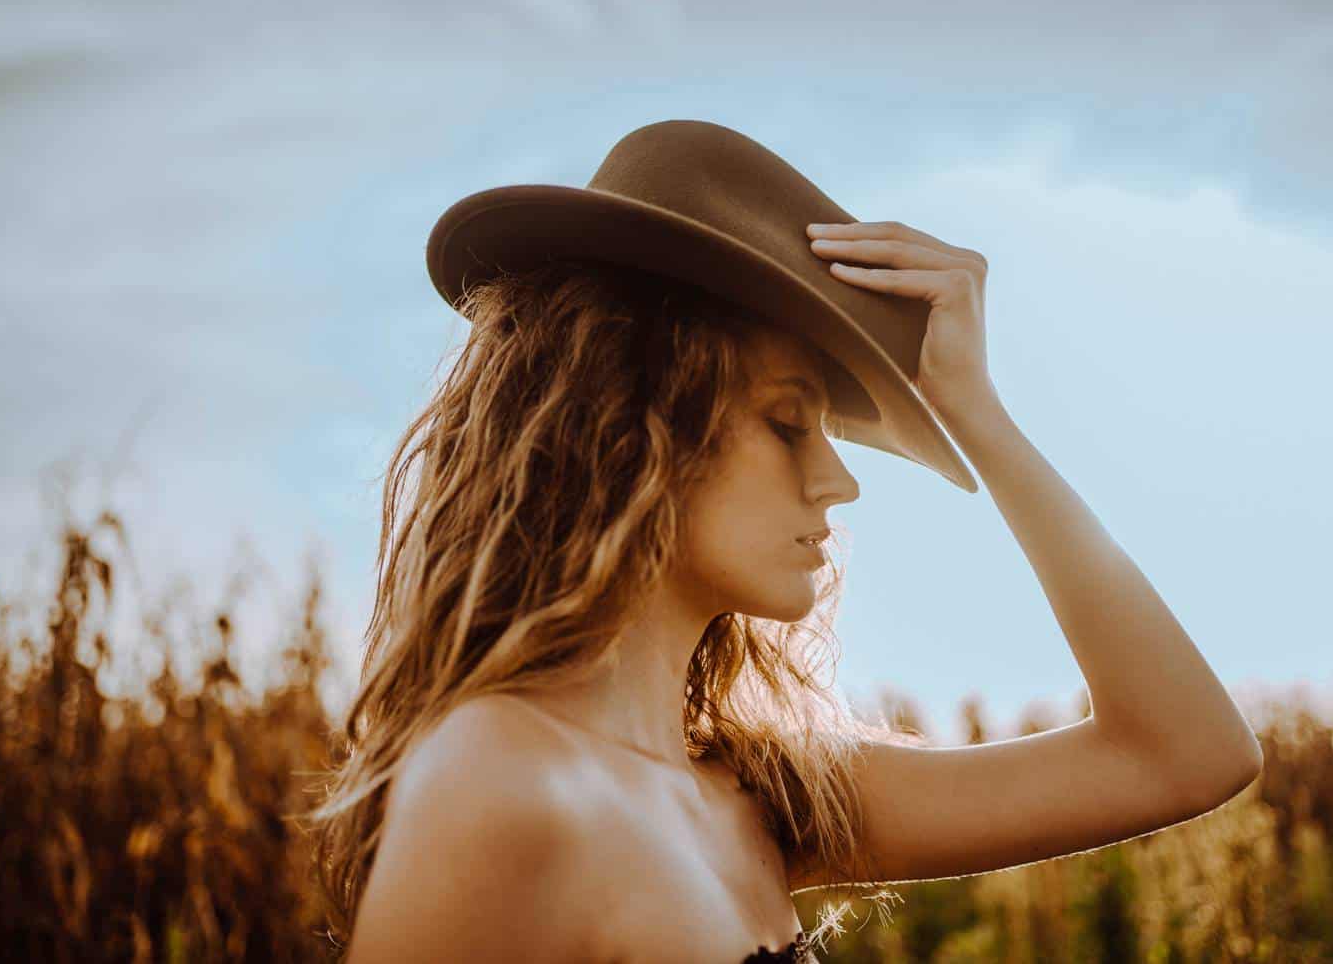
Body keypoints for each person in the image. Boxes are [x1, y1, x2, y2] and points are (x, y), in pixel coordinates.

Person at [303, 120, 1264, 963]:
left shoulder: (761, 798)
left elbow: (1185, 752)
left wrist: (979, 414)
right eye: (786, 422)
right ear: (630, 427)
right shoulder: (500, 783)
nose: (839, 480)